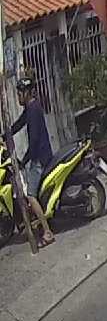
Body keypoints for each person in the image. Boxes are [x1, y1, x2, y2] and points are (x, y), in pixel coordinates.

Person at [8, 78, 55, 247]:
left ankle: (47, 232)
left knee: (30, 195)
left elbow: (34, 140)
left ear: (27, 93)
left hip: (39, 159)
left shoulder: (33, 110)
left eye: (20, 93)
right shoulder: (30, 108)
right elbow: (19, 124)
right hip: (40, 156)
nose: (18, 97)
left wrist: (24, 160)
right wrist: (6, 135)